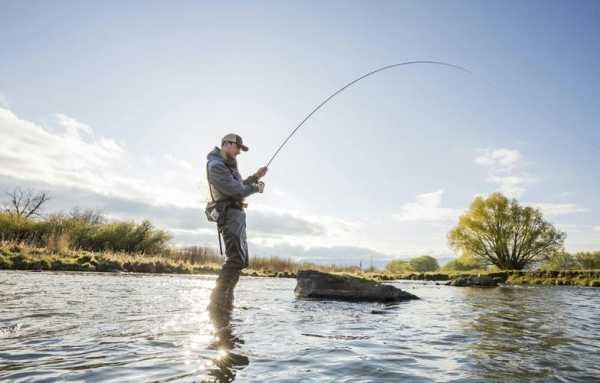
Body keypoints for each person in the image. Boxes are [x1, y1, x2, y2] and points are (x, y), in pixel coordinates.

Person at [205, 133, 267, 318]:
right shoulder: (216, 166)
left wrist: (255, 177)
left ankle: (225, 303)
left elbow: (239, 185)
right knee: (235, 260)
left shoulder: (227, 165)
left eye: (241, 148)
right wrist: (256, 188)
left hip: (236, 215)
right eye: (237, 147)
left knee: (241, 260)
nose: (239, 152)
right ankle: (217, 304)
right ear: (225, 144)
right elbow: (235, 190)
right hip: (229, 214)